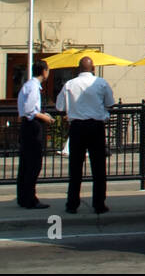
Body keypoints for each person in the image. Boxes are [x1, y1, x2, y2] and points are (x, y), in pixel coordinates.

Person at [55, 56, 116, 214]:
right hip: (96, 126)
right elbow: (110, 103)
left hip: (77, 127)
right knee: (98, 168)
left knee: (75, 168)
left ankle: (72, 203)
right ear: (93, 68)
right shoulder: (101, 83)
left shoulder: (69, 84)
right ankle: (99, 204)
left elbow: (59, 106)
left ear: (78, 68)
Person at [16, 59, 53, 209]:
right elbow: (30, 110)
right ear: (44, 71)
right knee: (33, 164)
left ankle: (23, 197)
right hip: (32, 127)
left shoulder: (28, 85)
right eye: (48, 70)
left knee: (26, 164)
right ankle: (30, 199)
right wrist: (45, 117)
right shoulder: (33, 87)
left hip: (28, 125)